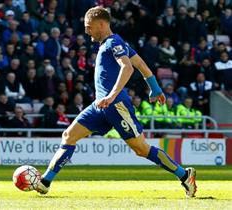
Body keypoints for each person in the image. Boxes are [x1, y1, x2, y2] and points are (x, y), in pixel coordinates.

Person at [35, 6, 197, 197]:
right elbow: (141, 64)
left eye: (89, 27)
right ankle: (45, 181)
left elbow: (127, 68)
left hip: (116, 105)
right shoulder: (113, 43)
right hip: (100, 106)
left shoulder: (114, 42)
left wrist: (111, 96)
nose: (86, 31)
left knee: (141, 149)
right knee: (69, 136)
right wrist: (155, 88)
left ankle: (184, 175)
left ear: (101, 24)